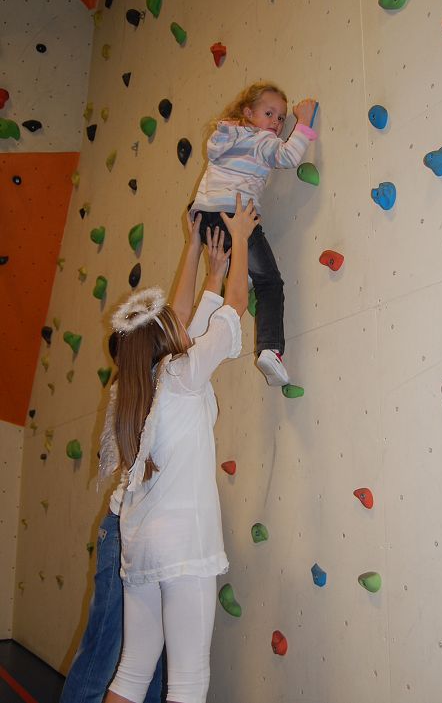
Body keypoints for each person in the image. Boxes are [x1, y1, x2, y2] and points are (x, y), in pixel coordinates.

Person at [103, 194, 258, 703]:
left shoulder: (138, 390)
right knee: (188, 683)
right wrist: (240, 239)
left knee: (131, 673)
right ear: (163, 338)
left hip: (141, 547)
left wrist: (209, 266)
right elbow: (234, 309)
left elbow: (191, 319)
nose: (179, 320)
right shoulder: (181, 376)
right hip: (183, 546)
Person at [190, 81, 317, 387]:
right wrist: (303, 122)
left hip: (205, 218)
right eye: (269, 114)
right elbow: (288, 157)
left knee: (244, 263)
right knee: (270, 283)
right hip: (235, 214)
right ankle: (270, 349)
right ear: (248, 113)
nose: (276, 123)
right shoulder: (260, 138)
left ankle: (241, 272)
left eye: (281, 118)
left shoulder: (225, 137)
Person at [59, 336, 163, 703]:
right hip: (123, 529)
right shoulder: (131, 392)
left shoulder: (156, 382)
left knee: (152, 657)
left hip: (151, 533)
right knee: (105, 644)